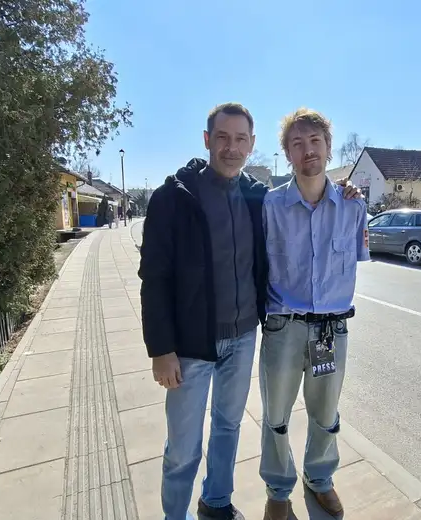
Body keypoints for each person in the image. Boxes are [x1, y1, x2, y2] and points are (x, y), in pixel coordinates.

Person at [139, 102, 360, 520]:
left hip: (242, 338)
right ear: (208, 141)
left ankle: (216, 501)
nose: (231, 147)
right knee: (183, 447)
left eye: (240, 139)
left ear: (252, 145)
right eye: (223, 138)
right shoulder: (174, 198)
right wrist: (160, 349)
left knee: (227, 427)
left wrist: (349, 188)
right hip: (190, 344)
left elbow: (305, 196)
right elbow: (154, 276)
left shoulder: (258, 198)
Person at [258, 108, 369, 520]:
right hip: (283, 328)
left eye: (315, 142)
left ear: (328, 146)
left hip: (332, 330)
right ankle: (278, 489)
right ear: (287, 153)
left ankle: (320, 479)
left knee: (326, 414)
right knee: (275, 416)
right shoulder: (270, 206)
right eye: (298, 143)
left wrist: (351, 191)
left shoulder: (353, 208)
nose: (308, 151)